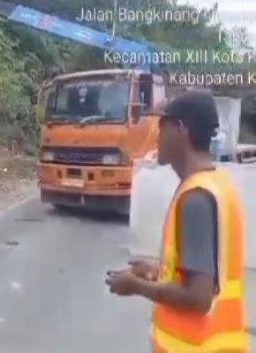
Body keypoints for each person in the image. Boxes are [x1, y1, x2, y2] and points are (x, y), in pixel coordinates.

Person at [106, 92, 249, 352]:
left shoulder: (195, 198)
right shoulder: (219, 184)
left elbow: (198, 297)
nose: (157, 137)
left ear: (180, 128)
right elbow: (209, 269)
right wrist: (156, 269)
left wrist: (136, 286)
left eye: (162, 127)